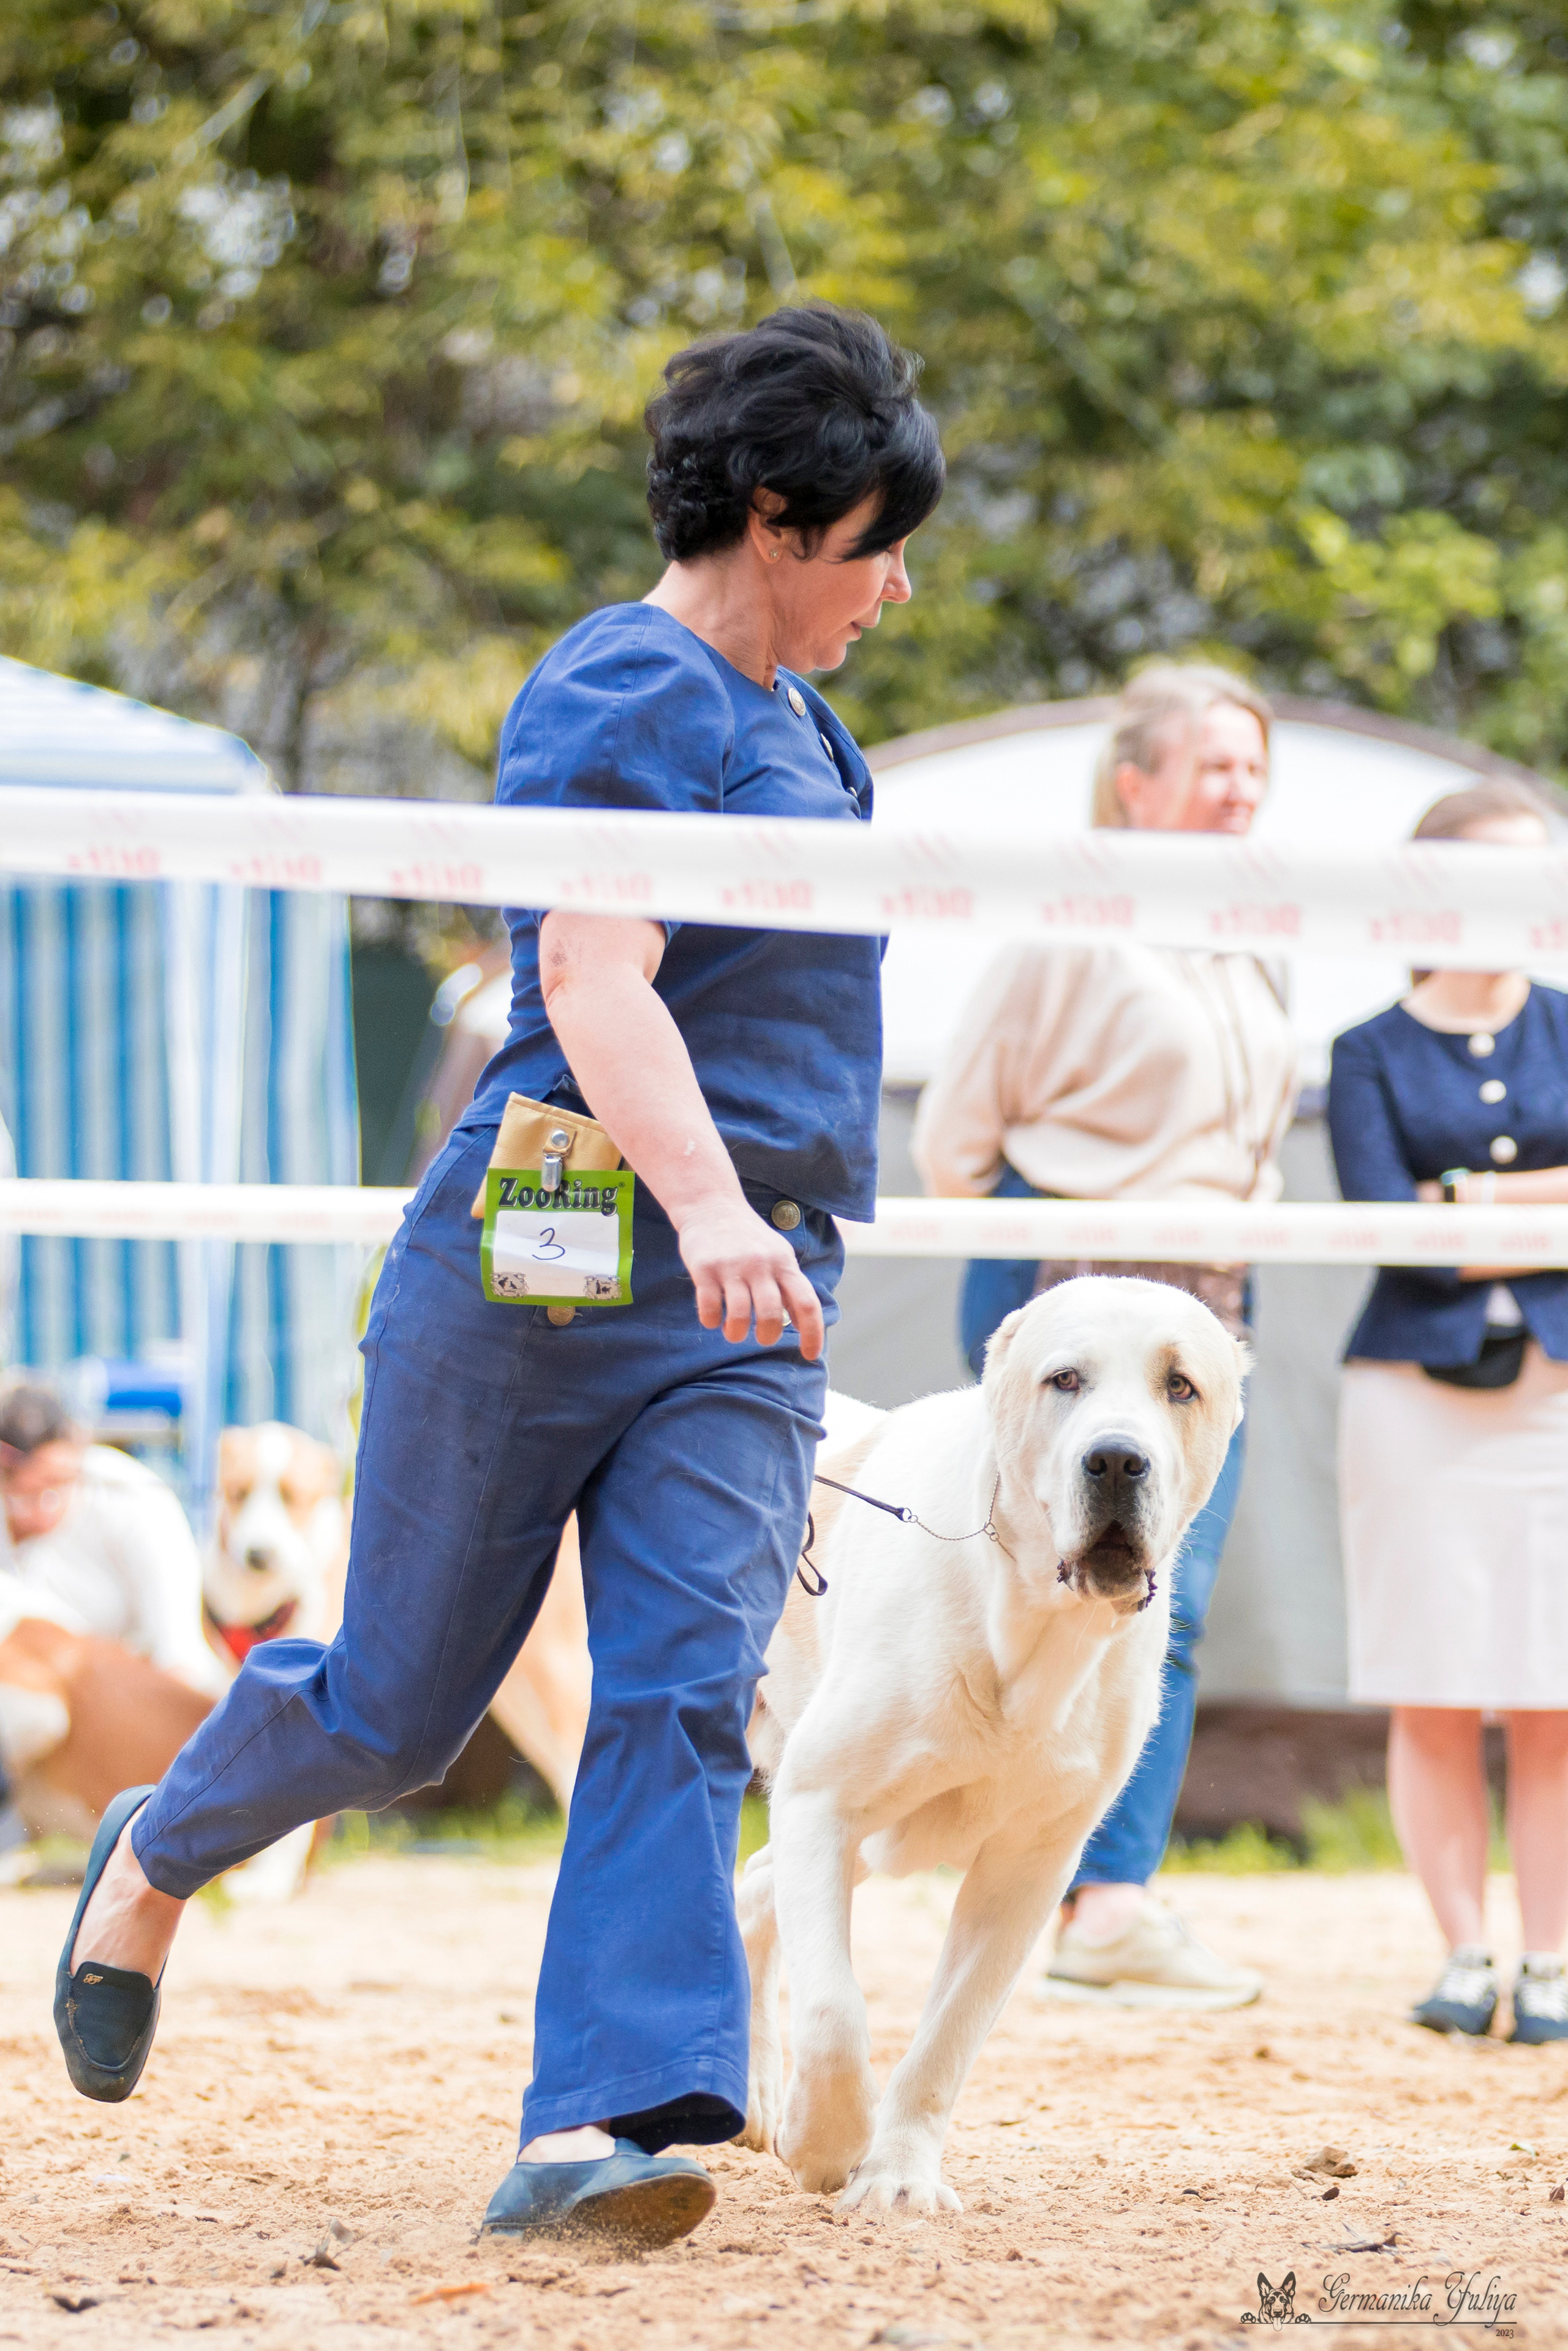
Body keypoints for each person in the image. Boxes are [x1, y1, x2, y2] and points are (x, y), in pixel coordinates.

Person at [53, 302, 944, 2247]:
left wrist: (753, 1229)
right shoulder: (623, 688)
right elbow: (588, 976)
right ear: (778, 519)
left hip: (750, 1281)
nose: (894, 587)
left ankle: (593, 2121)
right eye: (875, 542)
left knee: (683, 1686)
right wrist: (704, 1209)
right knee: (397, 1709)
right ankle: (161, 1840)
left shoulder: (817, 731)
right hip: (554, 1254)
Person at [913, 663, 1298, 2009]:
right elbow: (955, 1134)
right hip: (1065, 1275)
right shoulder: (1064, 929)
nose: (1240, 788)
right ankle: (967, 1844)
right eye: (1214, 764)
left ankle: (1108, 1895)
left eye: (1255, 767)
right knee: (1013, 1577)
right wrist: (1045, 1244)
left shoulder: (1251, 935)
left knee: (1164, 1604)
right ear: (1133, 781)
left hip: (1206, 1295)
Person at [1329, 779, 1568, 2047]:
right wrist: (1529, 1208)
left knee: (1552, 1686)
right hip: (1410, 1399)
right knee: (1431, 1682)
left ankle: (1549, 1958)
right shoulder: (1364, 1047)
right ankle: (1459, 1951)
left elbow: (1433, 1220)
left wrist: (1462, 1198)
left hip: (1555, 1397)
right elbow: (1392, 1234)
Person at [0, 1383, 225, 1698]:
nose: (39, 1510)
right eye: (22, 1496)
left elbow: (179, 1651)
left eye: (55, 1488)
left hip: (140, 1700)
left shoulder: (134, 1500)